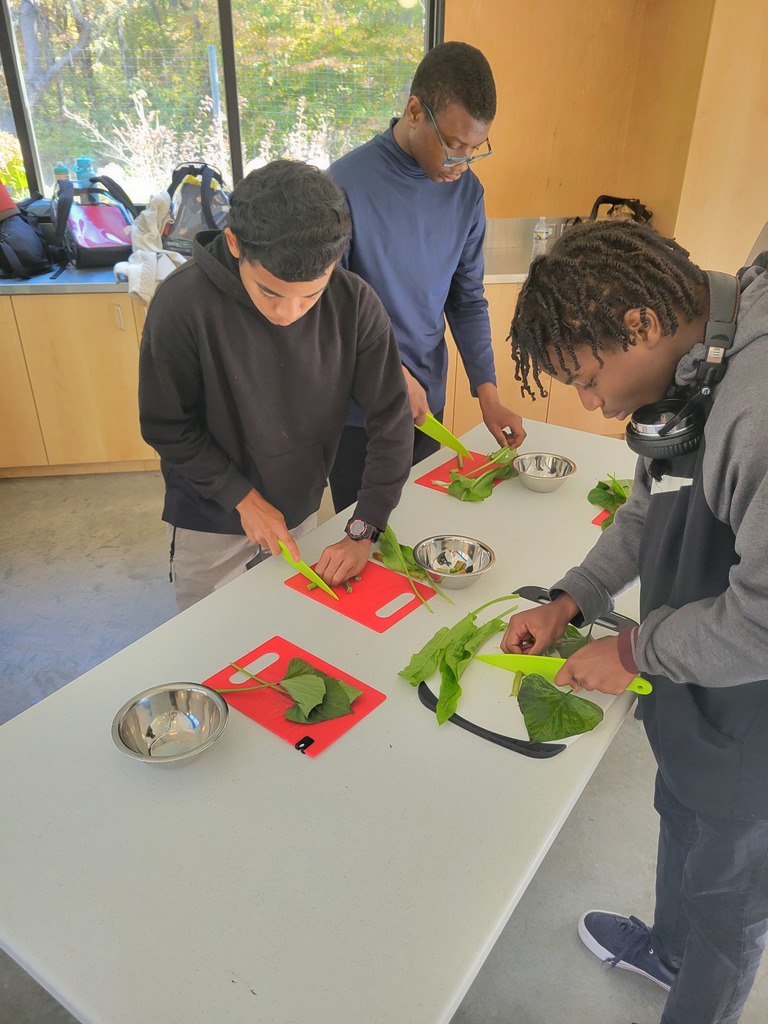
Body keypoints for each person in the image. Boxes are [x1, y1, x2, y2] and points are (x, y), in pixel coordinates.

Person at [501, 219, 768, 1024]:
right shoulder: (696, 363)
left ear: (641, 326)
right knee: (679, 814)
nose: (590, 402)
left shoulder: (757, 410)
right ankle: (668, 951)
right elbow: (655, 503)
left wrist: (632, 646)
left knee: (730, 903)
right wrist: (573, 597)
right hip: (696, 691)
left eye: (586, 378)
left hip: (754, 727)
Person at [139, 159, 413, 611]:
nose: (288, 313)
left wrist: (365, 527)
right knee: (209, 643)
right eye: (270, 292)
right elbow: (167, 425)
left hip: (299, 510)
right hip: (208, 516)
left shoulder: (355, 303)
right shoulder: (182, 304)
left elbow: (391, 422)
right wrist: (242, 498)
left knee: (286, 633)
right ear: (234, 242)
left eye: (311, 295)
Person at [327, 40, 526, 513]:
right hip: (359, 412)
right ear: (415, 111)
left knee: (419, 527)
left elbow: (467, 300)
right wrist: (391, 375)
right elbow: (328, 311)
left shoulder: (466, 195)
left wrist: (488, 395)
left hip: (426, 404)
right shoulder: (342, 186)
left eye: (476, 149)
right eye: (454, 145)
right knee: (363, 545)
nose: (462, 163)